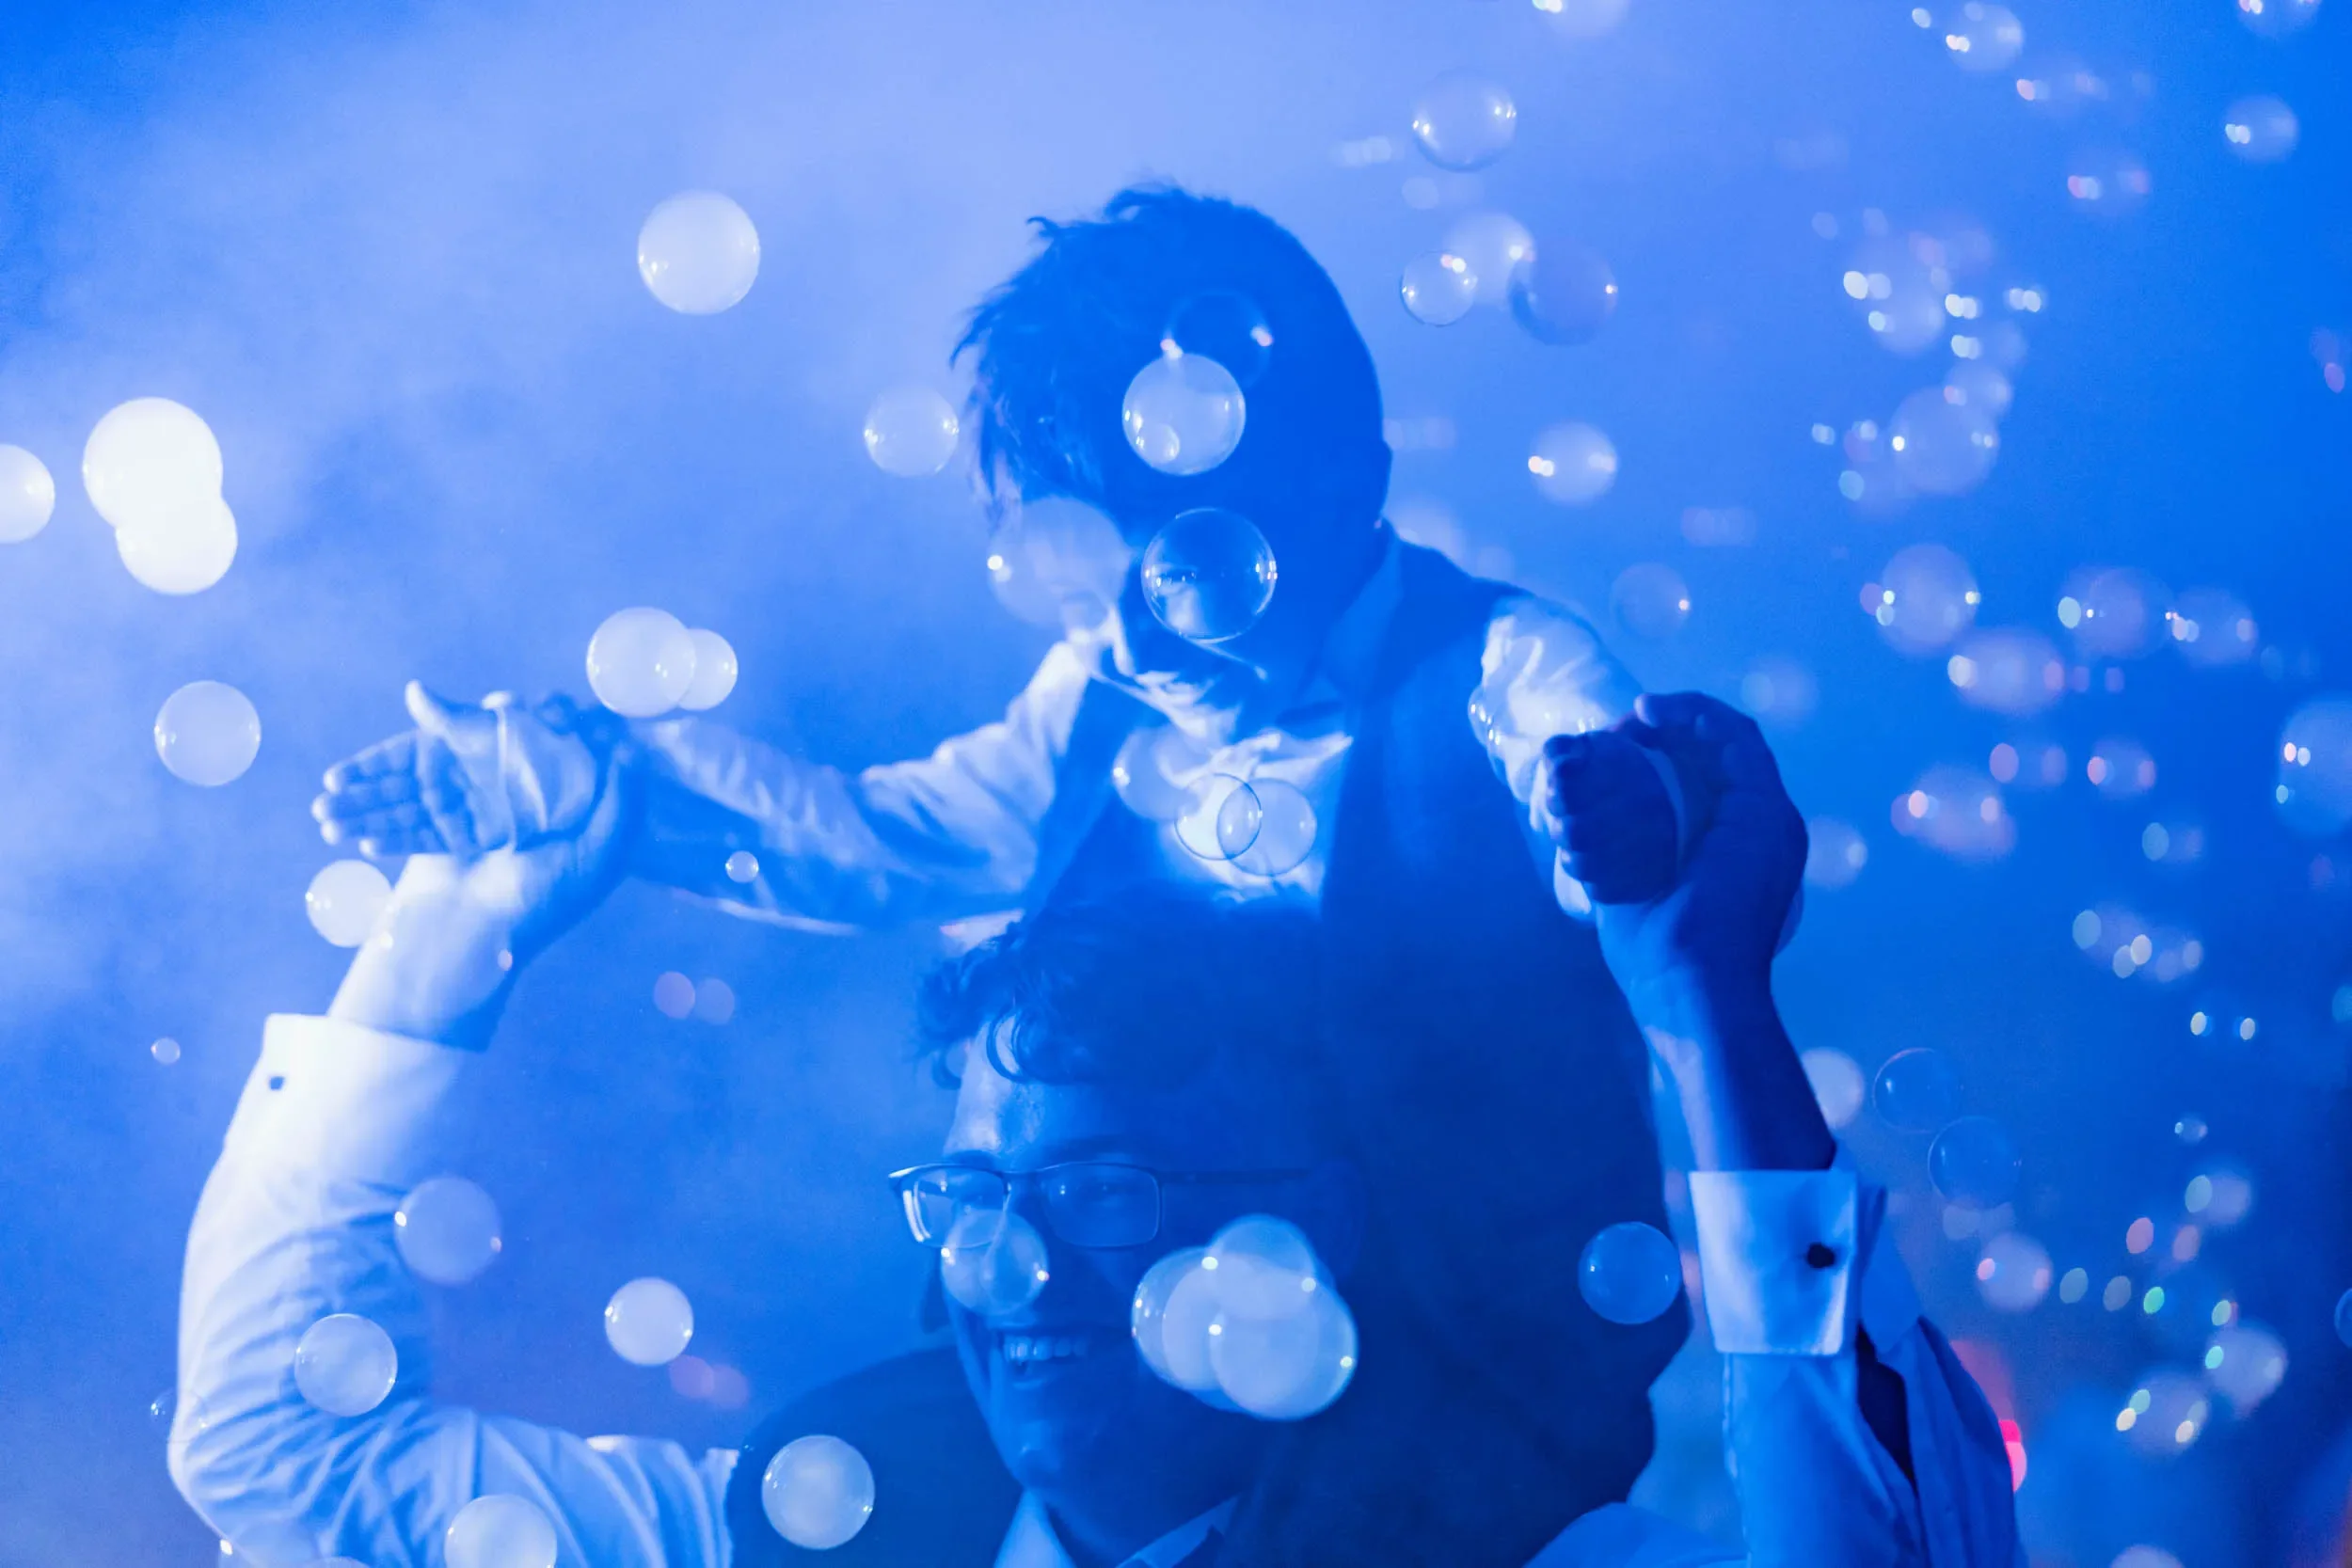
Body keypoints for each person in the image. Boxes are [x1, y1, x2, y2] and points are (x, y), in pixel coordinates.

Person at [310, 184, 1698, 1517]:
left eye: (1186, 573)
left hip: (1479, 1410)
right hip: (1162, 1400)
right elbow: (876, 837)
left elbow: (1632, 817)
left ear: (1352, 483)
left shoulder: (1508, 676)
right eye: (1086, 592)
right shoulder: (1093, 705)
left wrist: (1634, 825)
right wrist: (605, 779)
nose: (1135, 650)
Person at [172, 689, 2023, 1566]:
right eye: (972, 1192)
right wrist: (451, 929)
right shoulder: (814, 1536)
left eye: (1109, 1188)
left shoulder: (1488, 1549)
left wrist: (1707, 1007)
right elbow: (275, 1459)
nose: (1016, 1270)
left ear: (1314, 1222)